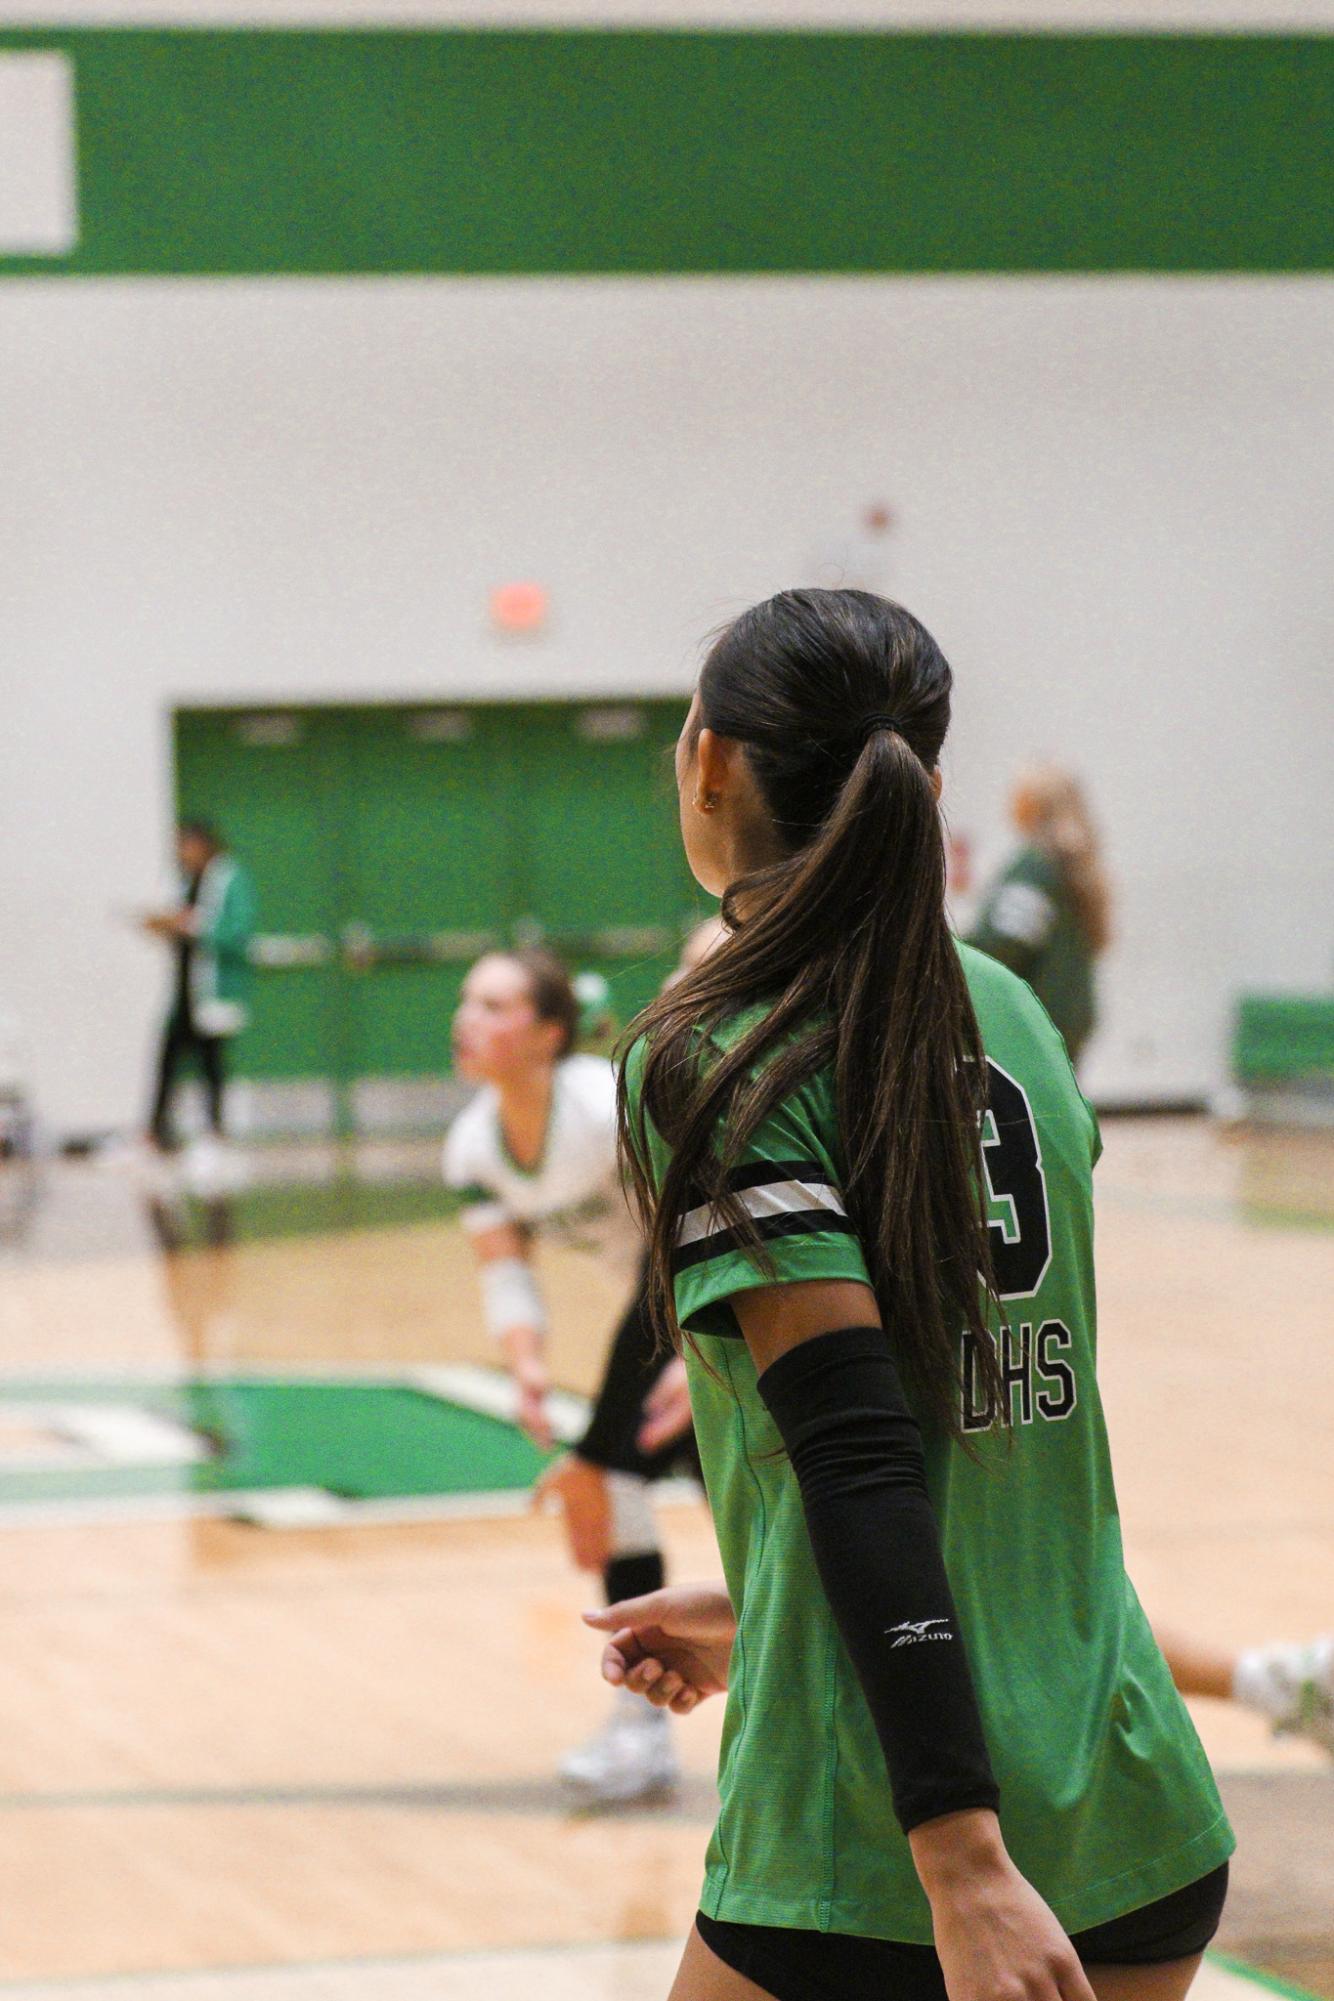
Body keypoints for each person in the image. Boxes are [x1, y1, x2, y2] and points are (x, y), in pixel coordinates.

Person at [584, 589, 1232, 2001]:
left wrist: (959, 1859)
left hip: (888, 1847)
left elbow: (860, 1453)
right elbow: (978, 1431)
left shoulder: (715, 1053)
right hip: (1124, 1796)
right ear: (924, 784)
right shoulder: (1007, 1008)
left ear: (708, 767)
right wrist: (772, 1608)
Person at [444, 945, 698, 1803]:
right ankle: (643, 1725)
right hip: (657, 1322)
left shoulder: (605, 1108)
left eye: (493, 1004)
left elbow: (677, 1250)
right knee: (628, 1489)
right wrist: (524, 1365)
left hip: (705, 1301)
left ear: (549, 1033)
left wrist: (592, 1450)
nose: (466, 1019)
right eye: (467, 1001)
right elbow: (504, 1268)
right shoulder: (474, 1144)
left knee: (637, 1481)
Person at [968, 765, 1111, 1072]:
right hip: (1068, 1016)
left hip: (1035, 1019)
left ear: (1030, 805)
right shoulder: (1074, 864)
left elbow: (1005, 942)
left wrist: (952, 948)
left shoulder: (1035, 867)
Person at [141, 820, 256, 1157]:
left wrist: (189, 924)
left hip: (214, 988)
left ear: (203, 845)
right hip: (187, 989)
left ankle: (216, 1130)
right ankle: (158, 1131)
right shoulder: (188, 882)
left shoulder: (230, 878)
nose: (181, 855)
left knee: (211, 1061)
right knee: (169, 1057)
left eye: (186, 847)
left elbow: (235, 933)